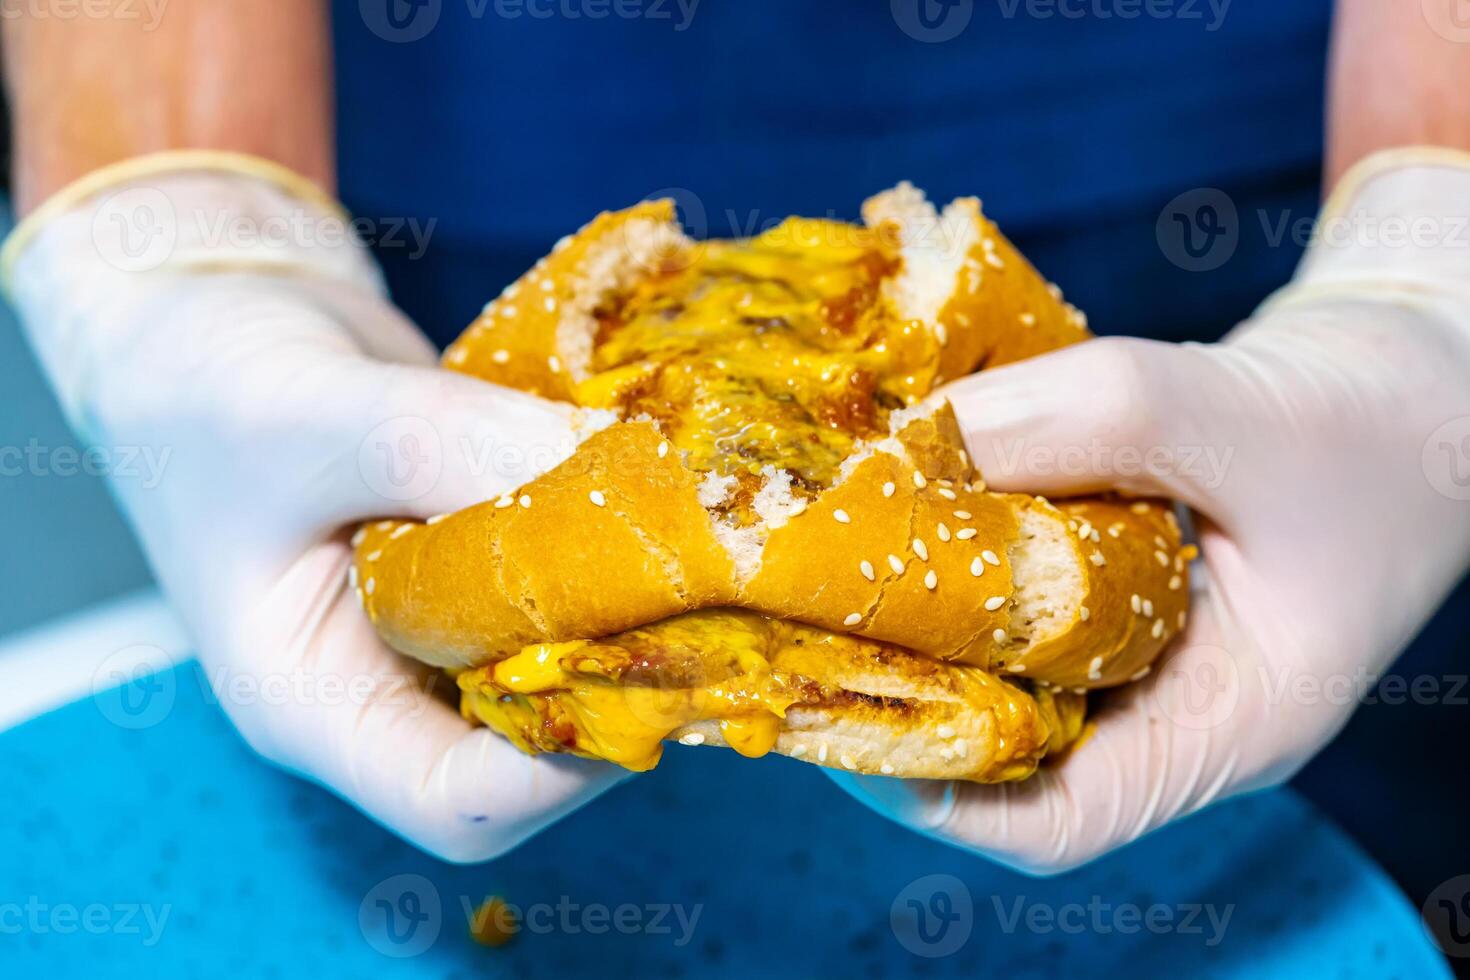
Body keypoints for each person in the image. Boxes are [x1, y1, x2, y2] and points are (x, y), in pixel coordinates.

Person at [3, 0, 1468, 876]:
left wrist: (1431, 266)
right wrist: (183, 223)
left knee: (1341, 822)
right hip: (448, 156)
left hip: (1242, 145)